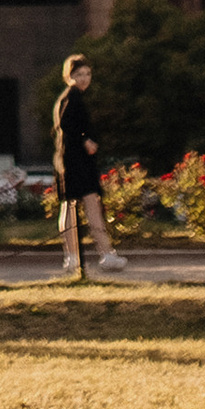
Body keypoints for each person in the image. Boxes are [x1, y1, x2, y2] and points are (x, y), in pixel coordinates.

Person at [52, 55, 130, 280]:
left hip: (75, 161)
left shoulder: (73, 97)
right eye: (79, 74)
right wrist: (85, 140)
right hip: (74, 161)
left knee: (82, 205)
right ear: (69, 76)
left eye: (87, 74)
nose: (84, 78)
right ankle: (91, 254)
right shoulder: (72, 97)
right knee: (79, 205)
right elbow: (66, 125)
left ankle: (86, 254)